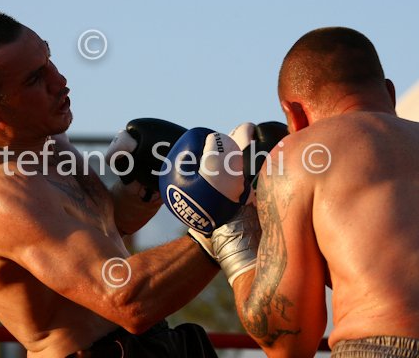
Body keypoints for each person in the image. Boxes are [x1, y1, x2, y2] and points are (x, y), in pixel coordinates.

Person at [0, 10, 222, 358]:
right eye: (35, 79)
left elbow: (107, 225)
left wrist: (145, 185)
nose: (60, 81)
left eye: (49, 59)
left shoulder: (45, 137)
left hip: (149, 341)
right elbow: (127, 301)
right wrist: (222, 222)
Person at [161, 27, 419, 357]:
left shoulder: (300, 154)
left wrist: (232, 227)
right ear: (390, 93)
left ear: (293, 114)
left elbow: (287, 340)